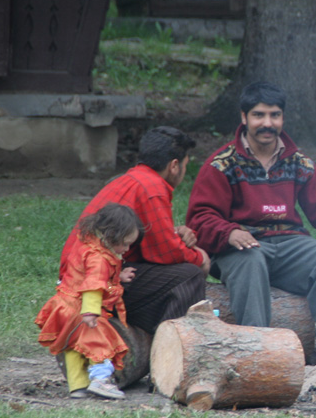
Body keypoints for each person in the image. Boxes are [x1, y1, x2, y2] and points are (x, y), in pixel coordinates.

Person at [186, 81, 316, 364]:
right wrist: (229, 232)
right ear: (244, 117)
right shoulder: (222, 164)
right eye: (259, 115)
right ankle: (258, 345)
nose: (267, 123)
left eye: (274, 115)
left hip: (289, 245)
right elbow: (200, 218)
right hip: (239, 248)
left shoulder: (298, 162)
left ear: (282, 118)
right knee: (251, 258)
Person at [59, 126, 211, 335]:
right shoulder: (152, 188)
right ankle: (170, 344)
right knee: (190, 275)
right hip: (92, 282)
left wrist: (177, 234)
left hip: (85, 276)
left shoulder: (134, 179)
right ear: (174, 166)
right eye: (185, 165)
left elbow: (150, 240)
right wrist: (201, 258)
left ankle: (152, 338)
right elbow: (167, 253)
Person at [37, 203, 143, 399]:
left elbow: (87, 275)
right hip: (83, 309)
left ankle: (78, 386)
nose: (127, 249)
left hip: (65, 305)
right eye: (125, 244)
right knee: (99, 342)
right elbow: (93, 284)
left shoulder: (87, 245)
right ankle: (101, 380)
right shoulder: (99, 258)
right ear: (110, 236)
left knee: (73, 346)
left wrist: (118, 277)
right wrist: (91, 312)